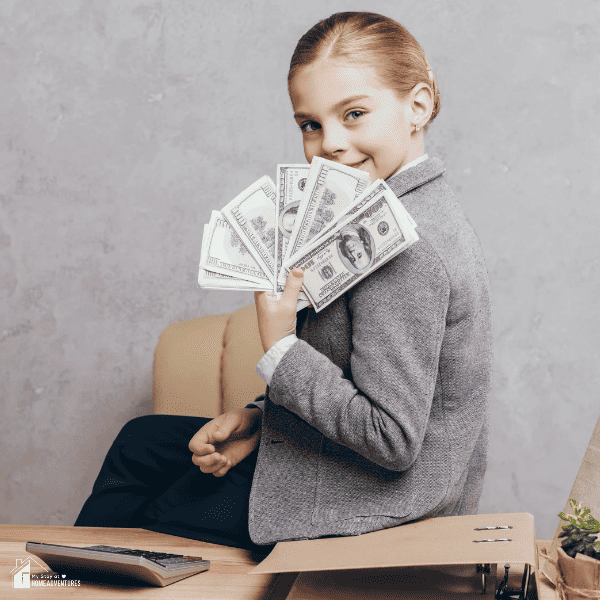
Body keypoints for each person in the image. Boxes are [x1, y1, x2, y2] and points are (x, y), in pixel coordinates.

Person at [75, 11, 492, 552]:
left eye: (355, 114)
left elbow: (392, 438)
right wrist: (258, 419)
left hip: (381, 494)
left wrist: (280, 347)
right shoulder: (385, 207)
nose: (331, 144)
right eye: (310, 124)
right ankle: (64, 576)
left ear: (418, 106)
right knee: (141, 443)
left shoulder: (406, 246)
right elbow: (352, 371)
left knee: (154, 513)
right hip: (347, 462)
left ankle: (66, 582)